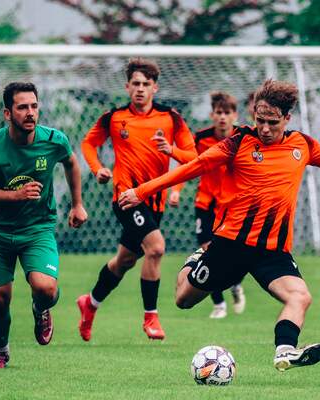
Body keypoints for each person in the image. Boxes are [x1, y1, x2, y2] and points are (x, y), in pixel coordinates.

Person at [119, 79, 320, 371]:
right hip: (231, 246)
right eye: (259, 120)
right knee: (183, 299)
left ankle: (285, 351)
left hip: (272, 251)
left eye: (272, 122)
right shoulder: (237, 143)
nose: (264, 128)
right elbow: (192, 167)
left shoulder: (302, 145)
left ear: (287, 118)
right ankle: (197, 258)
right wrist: (141, 192)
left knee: (300, 296)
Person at [77, 58, 197, 342]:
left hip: (154, 202)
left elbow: (193, 158)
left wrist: (171, 151)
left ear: (155, 88)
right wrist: (98, 169)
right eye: (135, 83)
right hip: (126, 197)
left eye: (146, 84)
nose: (140, 89)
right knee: (156, 248)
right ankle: (151, 317)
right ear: (127, 87)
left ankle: (90, 303)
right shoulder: (114, 118)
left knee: (125, 261)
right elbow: (88, 144)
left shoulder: (170, 118)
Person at [0, 82, 87, 369]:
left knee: (45, 289)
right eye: (22, 107)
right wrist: (16, 195)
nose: (30, 113)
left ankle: (41, 309)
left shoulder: (54, 141)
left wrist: (77, 204)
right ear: (7, 113)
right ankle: (1, 350)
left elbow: (71, 163)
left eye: (34, 106)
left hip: (37, 228)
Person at [193, 91, 246, 319]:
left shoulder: (244, 137)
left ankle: (235, 283)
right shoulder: (200, 138)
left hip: (233, 205)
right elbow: (187, 164)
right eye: (218, 112)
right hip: (205, 202)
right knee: (208, 251)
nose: (222, 117)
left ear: (235, 115)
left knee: (239, 254)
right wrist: (175, 191)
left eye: (227, 112)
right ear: (212, 115)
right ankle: (219, 304)